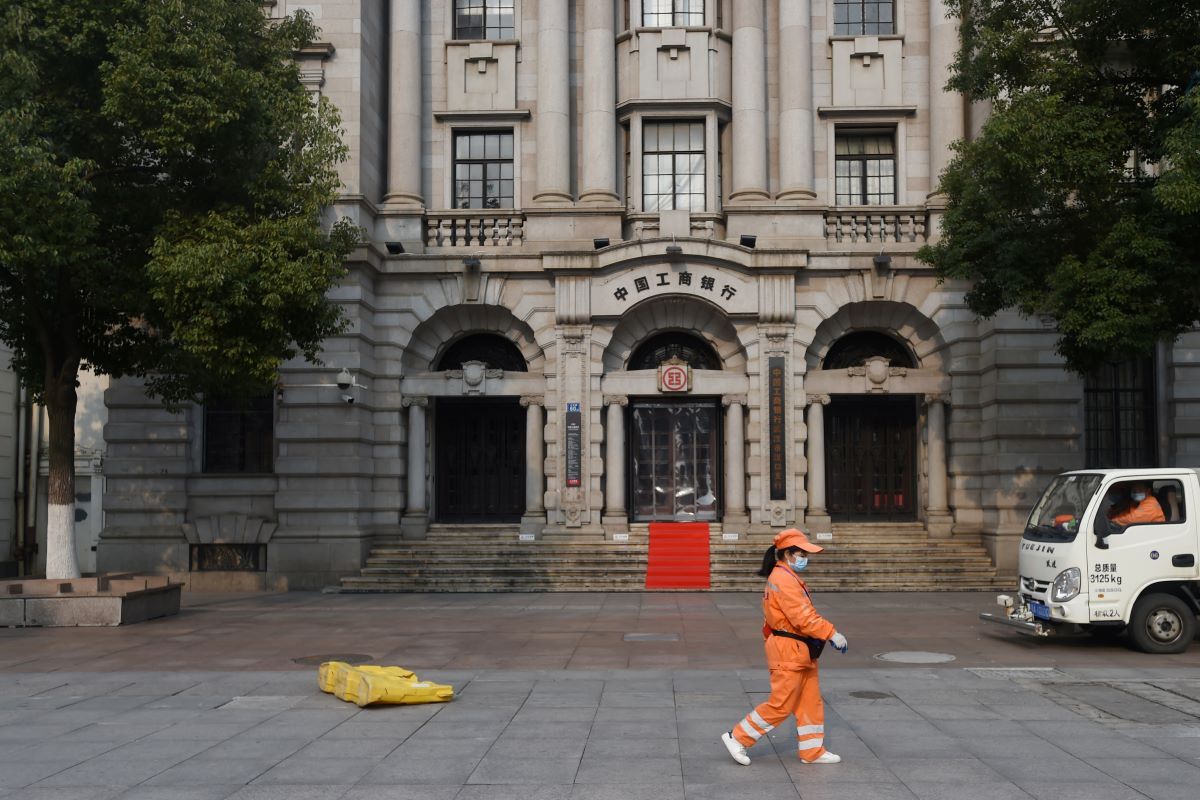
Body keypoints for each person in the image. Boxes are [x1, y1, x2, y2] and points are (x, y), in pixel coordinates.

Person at [721, 528, 848, 767]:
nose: (805, 559)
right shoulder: (784, 579)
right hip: (789, 649)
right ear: (788, 554)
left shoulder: (784, 576)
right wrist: (831, 633)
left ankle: (812, 751)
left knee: (809, 701)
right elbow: (803, 617)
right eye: (802, 554)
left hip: (797, 648)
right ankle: (737, 737)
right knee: (781, 704)